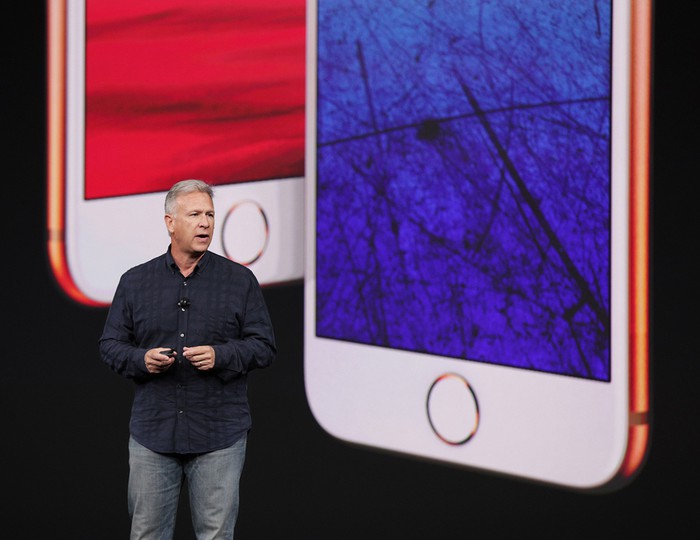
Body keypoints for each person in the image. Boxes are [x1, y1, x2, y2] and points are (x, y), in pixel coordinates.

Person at [99, 179, 276, 539]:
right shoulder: (136, 282)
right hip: (154, 433)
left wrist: (221, 355)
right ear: (170, 222)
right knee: (147, 534)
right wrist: (141, 360)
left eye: (210, 214)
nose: (205, 223)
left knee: (215, 535)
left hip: (219, 434)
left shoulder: (239, 281)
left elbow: (264, 346)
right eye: (195, 214)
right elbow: (110, 345)